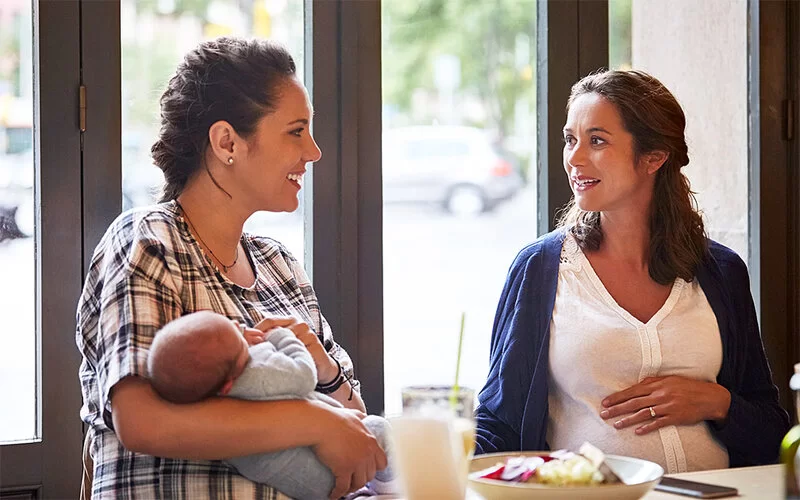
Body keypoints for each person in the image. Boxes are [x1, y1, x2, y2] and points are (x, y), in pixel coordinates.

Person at [76, 37, 386, 500]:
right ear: (227, 142)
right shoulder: (147, 241)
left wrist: (321, 366)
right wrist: (314, 421)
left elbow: (355, 428)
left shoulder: (280, 266)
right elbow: (141, 421)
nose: (315, 152)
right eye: (296, 131)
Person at [474, 69, 790, 472]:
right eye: (571, 139)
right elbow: (499, 425)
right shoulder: (540, 270)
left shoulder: (721, 272)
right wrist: (407, 450)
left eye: (597, 141)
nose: (574, 158)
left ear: (654, 157)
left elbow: (772, 430)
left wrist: (717, 402)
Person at [146, 310, 397, 499]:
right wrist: (282, 337)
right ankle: (391, 487)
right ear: (228, 382)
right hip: (325, 475)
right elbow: (303, 376)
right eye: (233, 331)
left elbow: (353, 419)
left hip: (300, 475)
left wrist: (330, 370)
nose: (238, 324)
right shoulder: (256, 373)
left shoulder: (212, 393)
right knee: (379, 428)